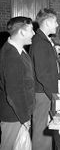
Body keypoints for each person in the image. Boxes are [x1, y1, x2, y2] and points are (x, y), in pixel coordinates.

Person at [0, 16, 35, 149]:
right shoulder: (11, 55)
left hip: (19, 114)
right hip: (14, 116)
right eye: (31, 30)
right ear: (21, 32)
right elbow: (14, 92)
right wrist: (24, 117)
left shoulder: (19, 51)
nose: (33, 33)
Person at [29, 8, 60, 150]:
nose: (57, 25)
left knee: (46, 130)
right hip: (43, 93)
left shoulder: (44, 40)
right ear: (48, 22)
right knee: (41, 133)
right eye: (55, 21)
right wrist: (53, 96)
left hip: (45, 92)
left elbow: (53, 68)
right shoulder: (40, 42)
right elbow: (42, 74)